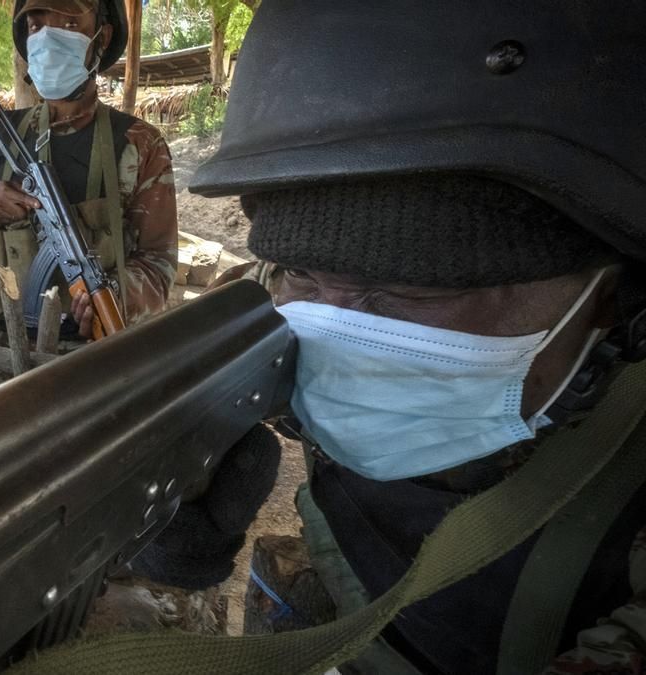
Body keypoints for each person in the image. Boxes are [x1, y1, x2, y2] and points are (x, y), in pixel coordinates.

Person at [166, 2, 646, 673]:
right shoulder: (292, 305)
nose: (338, 334)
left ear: (615, 292)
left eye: (411, 292)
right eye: (301, 273)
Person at [0, 0, 176, 340]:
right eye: (36, 27)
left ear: (102, 36)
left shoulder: (140, 144)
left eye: (69, 25)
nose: (48, 38)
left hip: (88, 358)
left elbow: (160, 264)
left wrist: (112, 300)